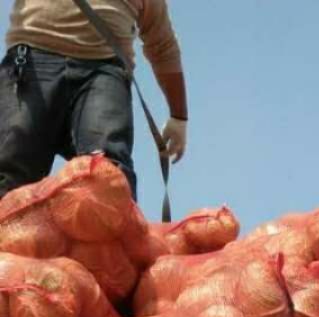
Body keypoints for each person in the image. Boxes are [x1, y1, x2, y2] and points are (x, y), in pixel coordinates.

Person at [0, 0, 186, 200]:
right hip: (31, 62)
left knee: (107, 177)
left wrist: (179, 117)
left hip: (104, 73)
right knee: (11, 176)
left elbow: (162, 45)